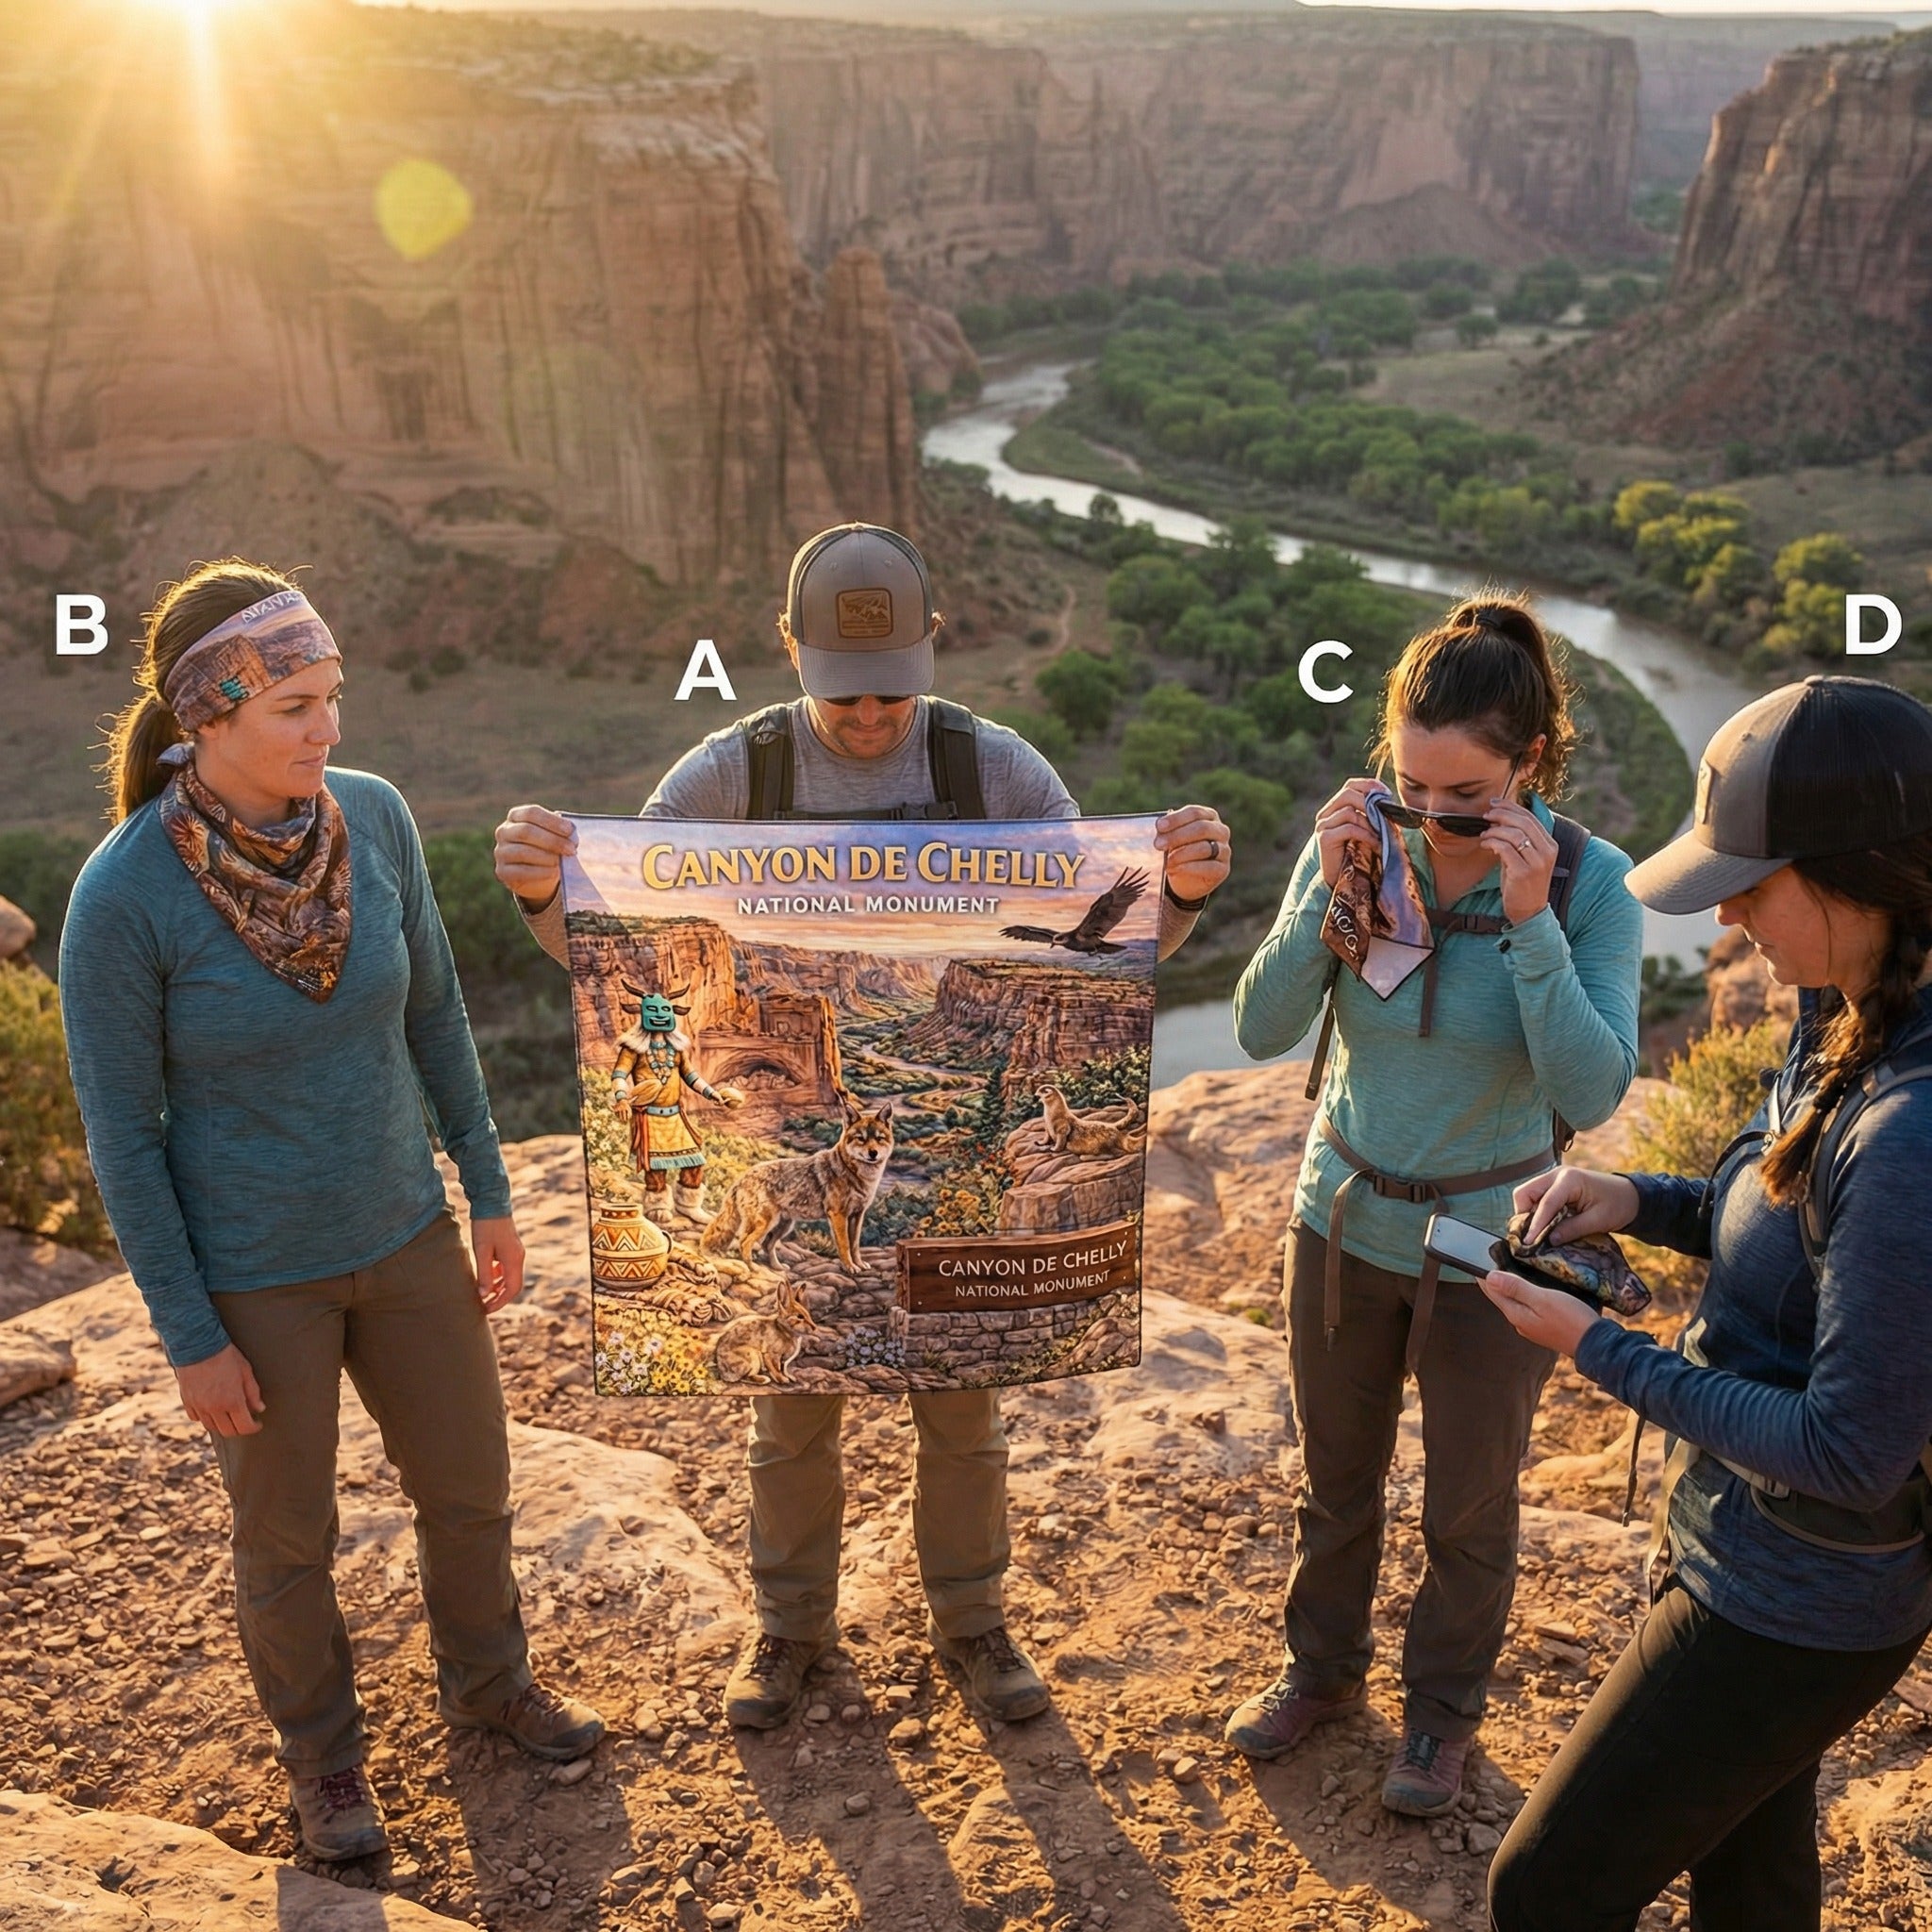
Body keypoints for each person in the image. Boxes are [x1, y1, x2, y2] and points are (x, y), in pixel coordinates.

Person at [493, 520, 1233, 1727]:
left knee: (963, 1404)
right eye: (843, 691)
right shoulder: (725, 778)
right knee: (789, 1404)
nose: (872, 714)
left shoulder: (999, 771)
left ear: (934, 645)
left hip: (940, 1229)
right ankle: (789, 1629)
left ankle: (972, 1620)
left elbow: (1107, 951)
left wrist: (1185, 893)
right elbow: (622, 967)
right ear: (787, 648)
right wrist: (541, 893)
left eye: (895, 687)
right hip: (776, 1170)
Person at [58, 560, 605, 1865]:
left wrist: (485, 1190)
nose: (329, 727)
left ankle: (491, 1686)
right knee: (287, 1538)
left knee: (468, 1486)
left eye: (332, 694)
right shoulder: (123, 898)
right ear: (209, 715)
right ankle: (325, 1761)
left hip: (405, 1231)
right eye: (295, 705)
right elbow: (124, 1141)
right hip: (256, 1276)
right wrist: (191, 1334)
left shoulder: (376, 816)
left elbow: (436, 1013)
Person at [1484, 675, 1932, 1932]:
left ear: (1859, 876)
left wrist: (1600, 1349)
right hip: (1748, 1548)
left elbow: (1849, 1453)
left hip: (1798, 1601)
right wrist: (1635, 1199)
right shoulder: (1847, 1007)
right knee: (1750, 1871)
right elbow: (1784, 1215)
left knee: (1545, 1888)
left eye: (1751, 882)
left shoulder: (1909, 1131)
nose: (1727, 914)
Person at [1224, 597, 1643, 1816]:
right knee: (1334, 1478)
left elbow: (1592, 1088)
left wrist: (1528, 925)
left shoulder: (1590, 885)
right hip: (1341, 1220)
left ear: (1529, 766)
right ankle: (1320, 1671)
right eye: (1409, 785)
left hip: (1488, 1249)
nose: (1429, 815)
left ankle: (1440, 1719)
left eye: (1463, 796)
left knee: (1468, 1504)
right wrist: (1326, 893)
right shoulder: (1360, 843)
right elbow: (1257, 1026)